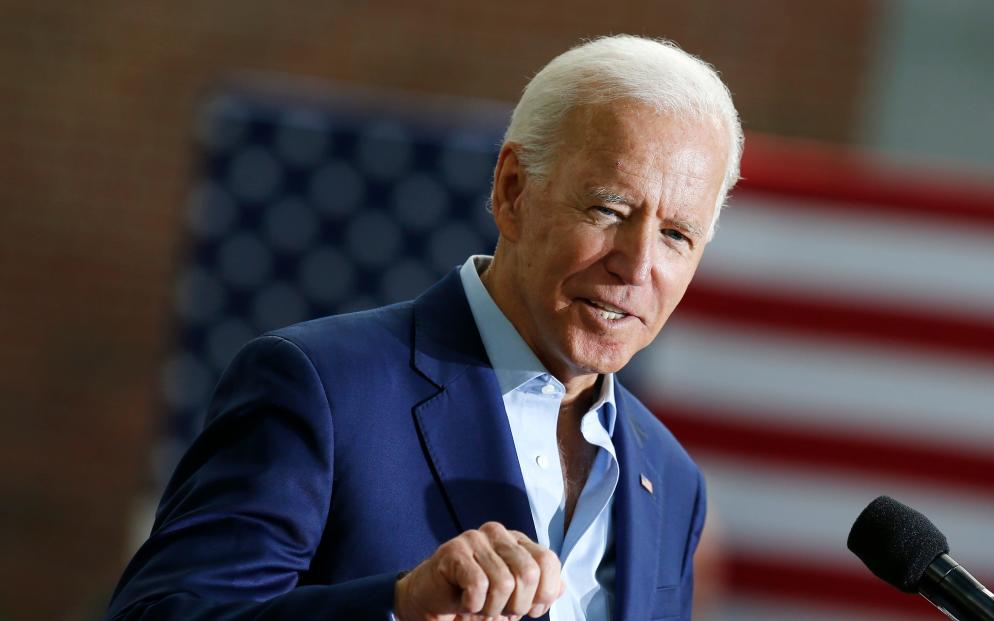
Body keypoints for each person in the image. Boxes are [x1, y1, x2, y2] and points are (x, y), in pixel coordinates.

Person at [106, 34, 743, 621]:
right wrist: (400, 606)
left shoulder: (671, 480)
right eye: (609, 209)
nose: (637, 265)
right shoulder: (322, 387)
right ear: (513, 191)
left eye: (676, 235)